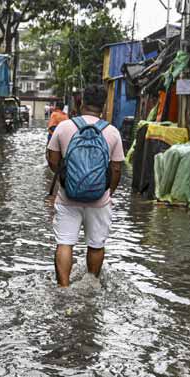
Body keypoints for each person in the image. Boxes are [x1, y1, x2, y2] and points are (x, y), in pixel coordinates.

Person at [46, 84, 124, 287]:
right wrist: (107, 192)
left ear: (81, 103)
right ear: (103, 105)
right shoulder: (113, 132)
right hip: (100, 200)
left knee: (65, 243)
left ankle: (63, 288)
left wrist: (68, 179)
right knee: (96, 245)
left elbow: (53, 160)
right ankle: (91, 284)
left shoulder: (64, 127)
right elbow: (116, 170)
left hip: (67, 197)